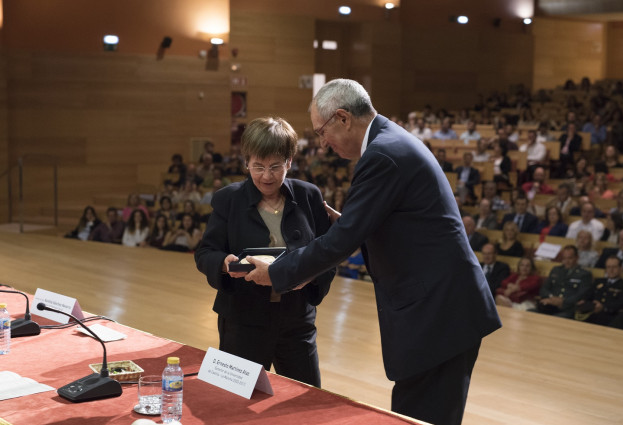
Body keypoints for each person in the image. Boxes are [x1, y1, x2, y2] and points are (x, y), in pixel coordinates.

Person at [242, 79, 501, 425]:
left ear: (343, 118)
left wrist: (277, 273)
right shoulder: (389, 142)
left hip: (437, 312)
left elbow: (342, 242)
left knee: (420, 416)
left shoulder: (382, 155)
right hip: (442, 307)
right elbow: (387, 226)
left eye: (322, 132)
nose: (322, 144)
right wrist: (350, 224)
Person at [194, 116, 336, 388]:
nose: (267, 176)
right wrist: (224, 263)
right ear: (246, 162)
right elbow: (205, 253)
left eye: (275, 166)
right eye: (258, 166)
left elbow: (327, 254)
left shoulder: (309, 196)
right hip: (243, 320)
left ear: (289, 162)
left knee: (304, 401)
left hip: (296, 320)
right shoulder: (228, 199)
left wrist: (311, 276)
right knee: (236, 403)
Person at [536, 245, 593, 318]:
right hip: (551, 305)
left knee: (557, 318)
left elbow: (581, 295)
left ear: (577, 257)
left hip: (569, 308)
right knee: (531, 312)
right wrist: (551, 297)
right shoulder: (556, 270)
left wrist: (563, 302)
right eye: (564, 258)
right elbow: (544, 289)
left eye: (570, 258)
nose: (567, 261)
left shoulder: (584, 274)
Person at [575, 256, 623, 326]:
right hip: (592, 313)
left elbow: (622, 303)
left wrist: (604, 307)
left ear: (621, 268)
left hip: (609, 317)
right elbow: (588, 294)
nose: (611, 270)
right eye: (608, 267)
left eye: (614, 267)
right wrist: (583, 301)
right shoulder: (599, 282)